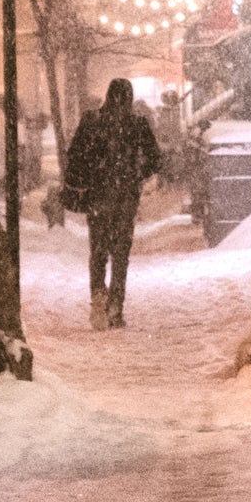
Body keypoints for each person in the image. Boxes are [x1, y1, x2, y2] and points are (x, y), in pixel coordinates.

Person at [62, 78, 161, 329]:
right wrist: (138, 173)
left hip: (98, 196)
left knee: (98, 251)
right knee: (120, 253)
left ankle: (98, 298)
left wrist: (83, 182)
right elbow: (156, 160)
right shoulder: (137, 124)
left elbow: (74, 157)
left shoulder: (91, 121)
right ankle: (116, 306)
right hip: (126, 198)